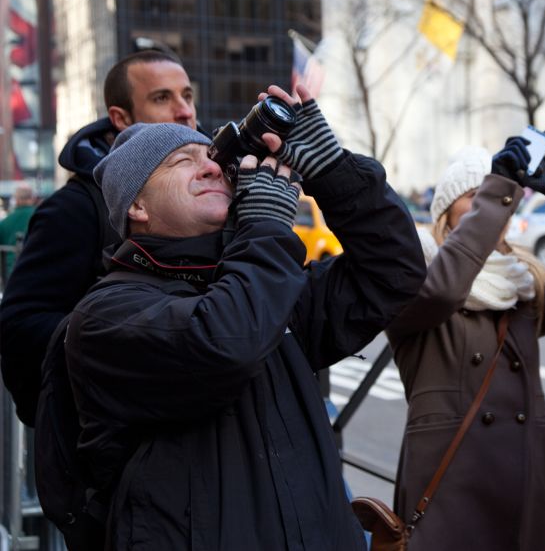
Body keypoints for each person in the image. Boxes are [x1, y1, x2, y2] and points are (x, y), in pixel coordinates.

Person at [64, 83, 425, 550]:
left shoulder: (264, 284)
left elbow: (394, 272)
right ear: (137, 206)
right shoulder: (105, 315)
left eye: (212, 156)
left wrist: (332, 170)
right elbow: (225, 341)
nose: (212, 165)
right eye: (182, 162)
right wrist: (264, 227)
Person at [386, 133, 545, 551]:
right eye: (475, 195)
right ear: (447, 212)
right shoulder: (413, 274)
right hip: (451, 482)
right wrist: (500, 189)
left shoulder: (520, 282)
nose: (491, 204)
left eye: (496, 195)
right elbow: (443, 294)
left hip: (529, 473)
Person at [0, 49, 198, 426]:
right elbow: (20, 326)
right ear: (120, 119)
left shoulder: (213, 192)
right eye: (162, 98)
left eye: (187, 95)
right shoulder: (76, 209)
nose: (184, 110)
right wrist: (127, 345)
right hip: (111, 449)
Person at [0, 183, 37, 276]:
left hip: (10, 274)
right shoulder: (41, 216)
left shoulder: (5, 222)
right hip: (35, 272)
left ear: (16, 199)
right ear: (32, 198)